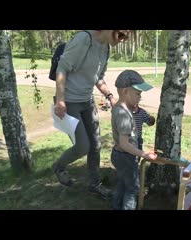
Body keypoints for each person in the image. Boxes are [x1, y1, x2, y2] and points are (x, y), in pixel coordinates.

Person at [52, 30, 131, 199]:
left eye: (126, 36)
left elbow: (98, 78)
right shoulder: (84, 39)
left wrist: (110, 97)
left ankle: (95, 185)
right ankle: (58, 166)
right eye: (122, 34)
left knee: (95, 145)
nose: (124, 39)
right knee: (83, 146)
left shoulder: (106, 48)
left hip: (87, 101)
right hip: (70, 101)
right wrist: (60, 100)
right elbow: (62, 68)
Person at [111, 70, 157, 210]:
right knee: (132, 188)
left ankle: (116, 206)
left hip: (119, 155)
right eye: (137, 93)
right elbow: (124, 143)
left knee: (122, 183)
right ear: (125, 92)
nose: (140, 97)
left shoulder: (120, 109)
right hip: (126, 156)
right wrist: (144, 154)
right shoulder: (124, 114)